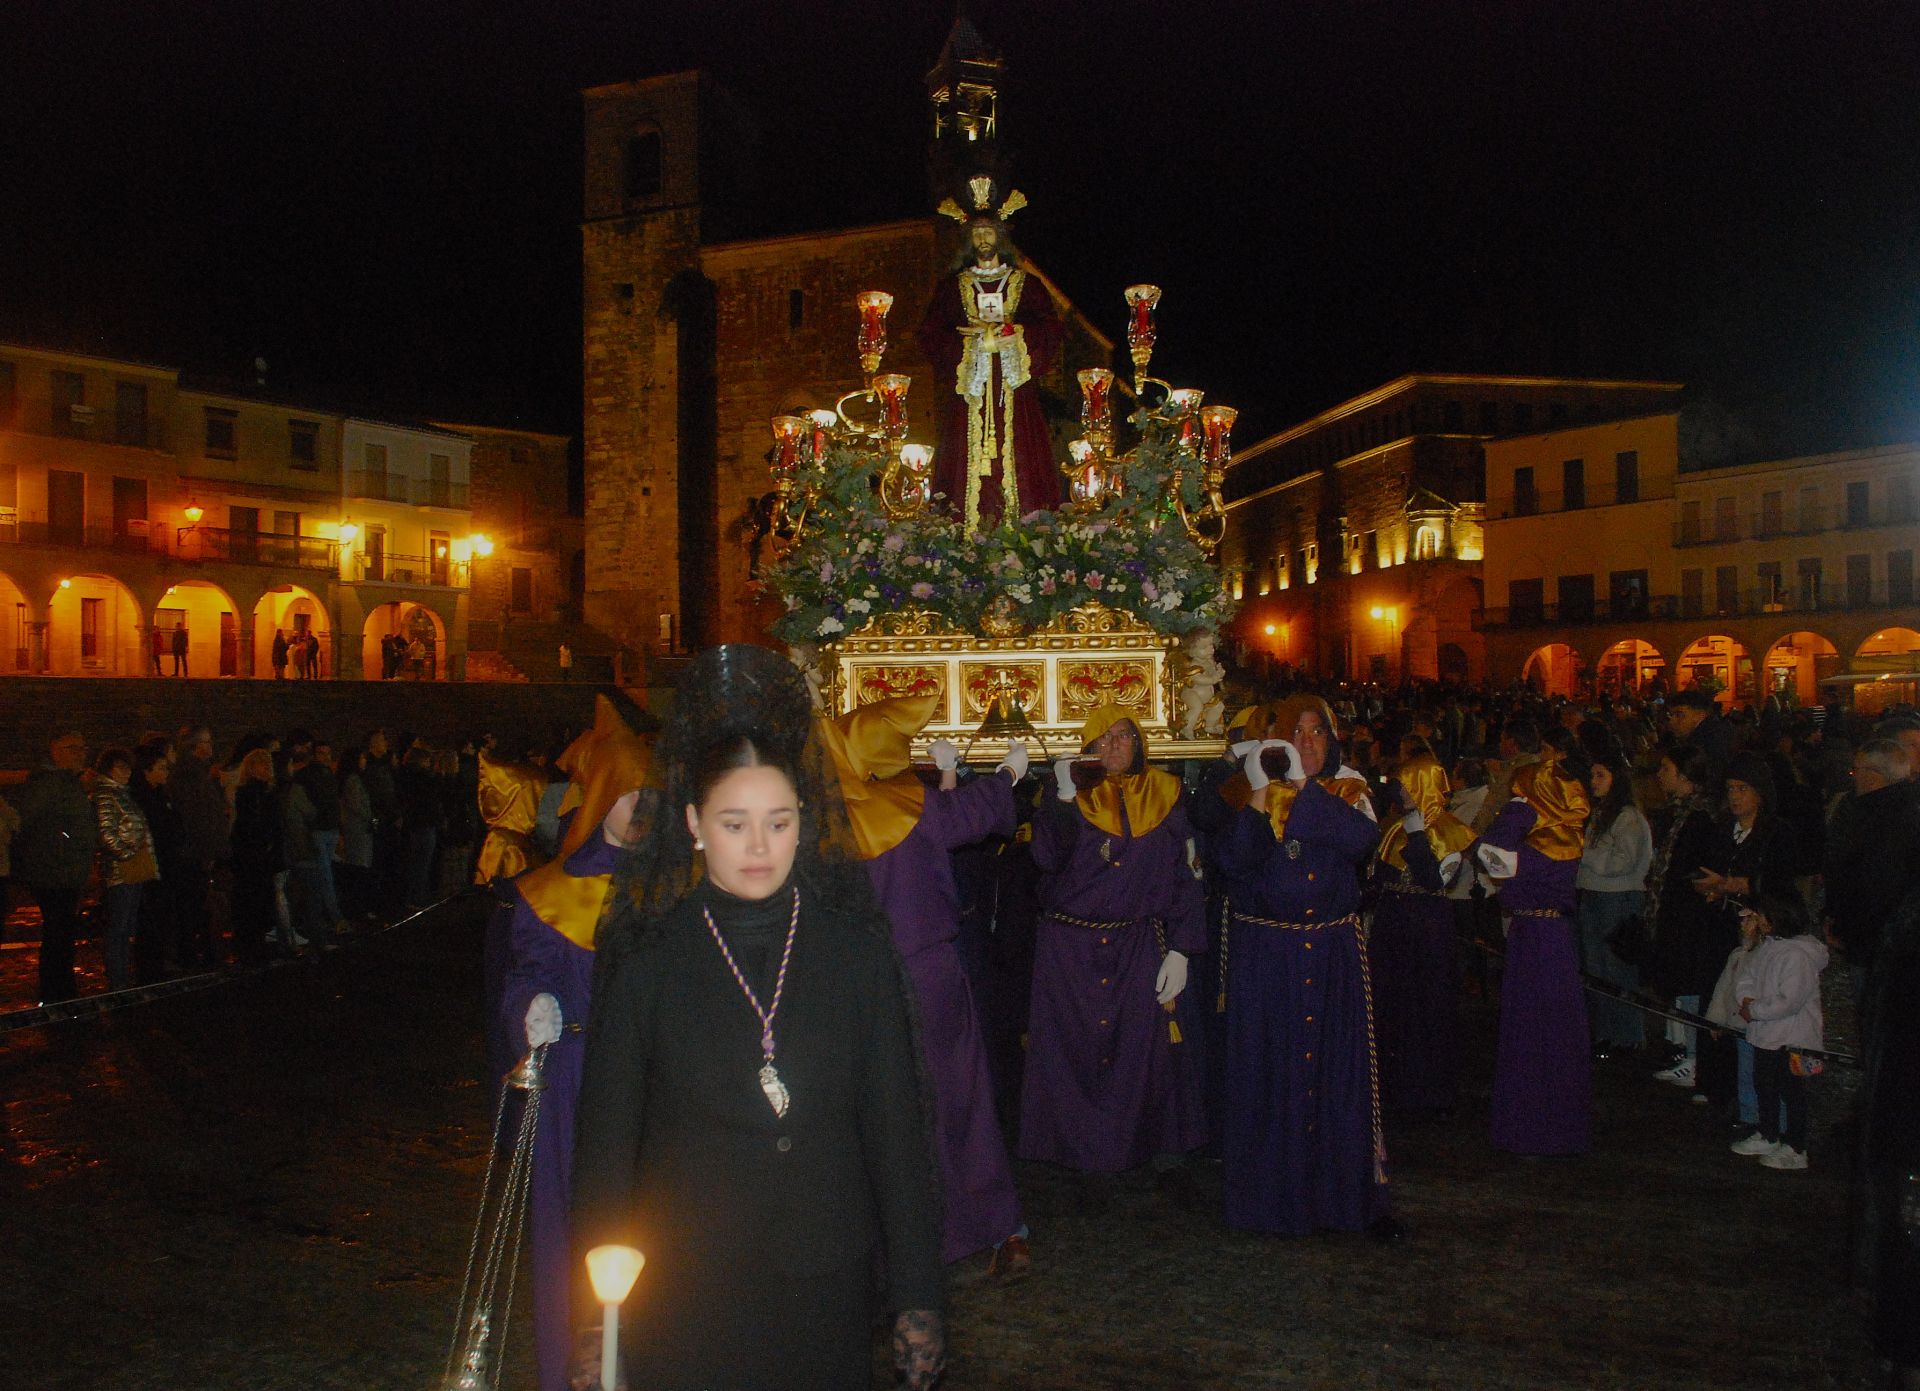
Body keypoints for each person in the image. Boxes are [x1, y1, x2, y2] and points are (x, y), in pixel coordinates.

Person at [570, 646, 943, 1390]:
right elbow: (607, 1142)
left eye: (778, 821)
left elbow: (896, 1128)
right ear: (694, 823)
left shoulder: (854, 951)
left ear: (805, 821)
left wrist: (919, 1293)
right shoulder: (649, 955)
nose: (760, 845)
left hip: (824, 1272)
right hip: (687, 1276)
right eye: (735, 823)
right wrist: (590, 1318)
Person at [818, 692, 1031, 1275]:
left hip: (854, 989)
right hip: (928, 978)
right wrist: (1009, 772)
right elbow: (974, 815)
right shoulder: (909, 806)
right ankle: (989, 1226)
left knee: (874, 1114)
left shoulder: (816, 821)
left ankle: (888, 1239)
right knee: (958, 1101)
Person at [495, 694, 651, 1391]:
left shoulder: (680, 885)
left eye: (653, 792)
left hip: (660, 1086)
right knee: (577, 1236)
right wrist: (532, 1009)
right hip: (580, 1084)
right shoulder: (548, 894)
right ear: (604, 798)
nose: (642, 807)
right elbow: (526, 974)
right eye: (630, 794)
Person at [1209, 694, 1393, 1234]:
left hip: (1333, 955)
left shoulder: (1349, 791)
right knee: (1268, 1074)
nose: (1307, 742)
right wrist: (1266, 795)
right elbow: (1231, 862)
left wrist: (1307, 793)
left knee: (1333, 1075)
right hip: (1268, 960)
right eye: (1297, 732)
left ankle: (1336, 1200)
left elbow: (1362, 843)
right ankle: (1270, 1202)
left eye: (1317, 732)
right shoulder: (1247, 790)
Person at [1020, 706, 1207, 1208]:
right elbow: (1046, 860)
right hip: (1070, 949)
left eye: (1124, 735)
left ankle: (1155, 1150)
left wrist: (1184, 948)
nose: (1114, 746)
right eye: (1102, 739)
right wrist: (1061, 798)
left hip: (1137, 943)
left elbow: (1184, 875)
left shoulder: (1165, 795)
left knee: (1143, 1052)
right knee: (1074, 1051)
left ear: (1140, 742)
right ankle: (1081, 1153)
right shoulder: (1067, 797)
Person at [1472, 747, 1594, 1157]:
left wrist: (1518, 810)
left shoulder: (1542, 840)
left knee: (1536, 1031)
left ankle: (1538, 1129)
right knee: (1546, 1031)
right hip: (1544, 936)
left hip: (1539, 940)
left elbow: (1487, 852)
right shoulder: (1556, 838)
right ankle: (1551, 1125)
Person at [917, 201, 1064, 531]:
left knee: (1022, 456)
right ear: (969, 240)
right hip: (971, 394)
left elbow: (1051, 328)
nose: (983, 238)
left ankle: (1026, 536)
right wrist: (973, 342)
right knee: (962, 460)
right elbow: (930, 334)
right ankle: (962, 537)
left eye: (989, 231)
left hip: (1014, 393)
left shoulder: (1026, 285)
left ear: (1001, 238)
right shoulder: (953, 288)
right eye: (977, 232)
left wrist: (1014, 335)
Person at [1370, 740, 1474, 1117]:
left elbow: (1434, 881)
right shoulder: (1395, 827)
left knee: (1424, 1006)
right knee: (1393, 1006)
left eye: (1406, 785)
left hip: (1426, 929)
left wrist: (1417, 836)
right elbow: (1379, 875)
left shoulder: (1449, 830)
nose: (1399, 792)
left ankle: (1427, 1088)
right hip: (1394, 926)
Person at [1721, 894, 1826, 1170]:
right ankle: (1768, 1133)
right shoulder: (1769, 948)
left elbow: (1789, 1000)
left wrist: (1754, 1010)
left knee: (1792, 1092)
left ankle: (1796, 1146)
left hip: (1792, 1040)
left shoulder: (1797, 956)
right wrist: (1746, 1000)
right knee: (1765, 1085)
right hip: (1766, 1035)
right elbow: (1749, 977)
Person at [1644, 745, 1723, 1093]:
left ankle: (1695, 1057)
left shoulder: (1700, 817)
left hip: (1690, 919)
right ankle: (1687, 1052)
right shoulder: (1680, 813)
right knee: (1680, 986)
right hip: (1676, 915)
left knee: (1690, 986)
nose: (1660, 775)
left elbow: (1695, 869)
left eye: (1666, 768)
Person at [1823, 737, 1920, 1015]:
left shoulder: (1867, 819)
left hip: (1874, 942)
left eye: (1856, 771)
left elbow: (1864, 882)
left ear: (1873, 777)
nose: (1853, 777)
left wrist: (1840, 923)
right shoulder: (1909, 811)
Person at [1577, 753, 1652, 1056]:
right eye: (1592, 775)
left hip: (1616, 896)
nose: (1593, 782)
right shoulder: (1601, 814)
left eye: (1601, 775)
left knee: (1616, 967)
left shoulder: (1627, 816)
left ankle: (1628, 1035)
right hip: (1594, 893)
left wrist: (1587, 857)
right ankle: (1607, 1032)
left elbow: (1624, 860)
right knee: (1596, 966)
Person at [11, 731, 96, 1002]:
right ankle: (56, 992)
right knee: (58, 932)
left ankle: (62, 989)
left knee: (63, 932)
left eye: (83, 748)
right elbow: (26, 820)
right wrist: (59, 840)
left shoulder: (69, 782)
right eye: (73, 748)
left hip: (67, 868)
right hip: (52, 870)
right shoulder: (48, 783)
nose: (80, 753)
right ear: (56, 751)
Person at [92, 746, 157, 992]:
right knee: (119, 925)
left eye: (129, 767)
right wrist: (127, 853)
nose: (127, 772)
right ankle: (117, 979)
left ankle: (122, 976)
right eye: (121, 767)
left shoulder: (122, 793)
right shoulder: (107, 795)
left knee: (126, 924)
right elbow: (106, 833)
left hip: (133, 866)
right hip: (122, 869)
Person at [169, 726, 230, 968]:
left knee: (199, 906)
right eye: (206, 742)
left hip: (198, 851)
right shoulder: (189, 777)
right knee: (193, 906)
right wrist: (207, 850)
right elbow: (197, 818)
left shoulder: (198, 776)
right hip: (194, 853)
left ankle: (201, 951)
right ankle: (192, 954)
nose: (211, 747)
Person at [129, 738, 182, 982]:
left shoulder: (160, 794)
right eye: (160, 768)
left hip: (166, 862)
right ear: (147, 771)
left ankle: (158, 961)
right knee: (150, 915)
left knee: (162, 913)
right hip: (152, 864)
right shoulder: (142, 798)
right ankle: (149, 966)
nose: (166, 772)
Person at [229, 749, 283, 964]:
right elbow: (251, 827)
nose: (268, 769)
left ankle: (257, 945)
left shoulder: (266, 793)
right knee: (253, 902)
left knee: (260, 902)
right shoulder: (251, 794)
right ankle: (252, 948)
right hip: (253, 858)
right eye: (262, 765)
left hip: (261, 857)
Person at [1665, 688, 1732, 790]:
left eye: (1680, 715)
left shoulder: (1707, 742)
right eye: (1671, 715)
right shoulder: (1712, 733)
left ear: (1700, 715)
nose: (1672, 721)